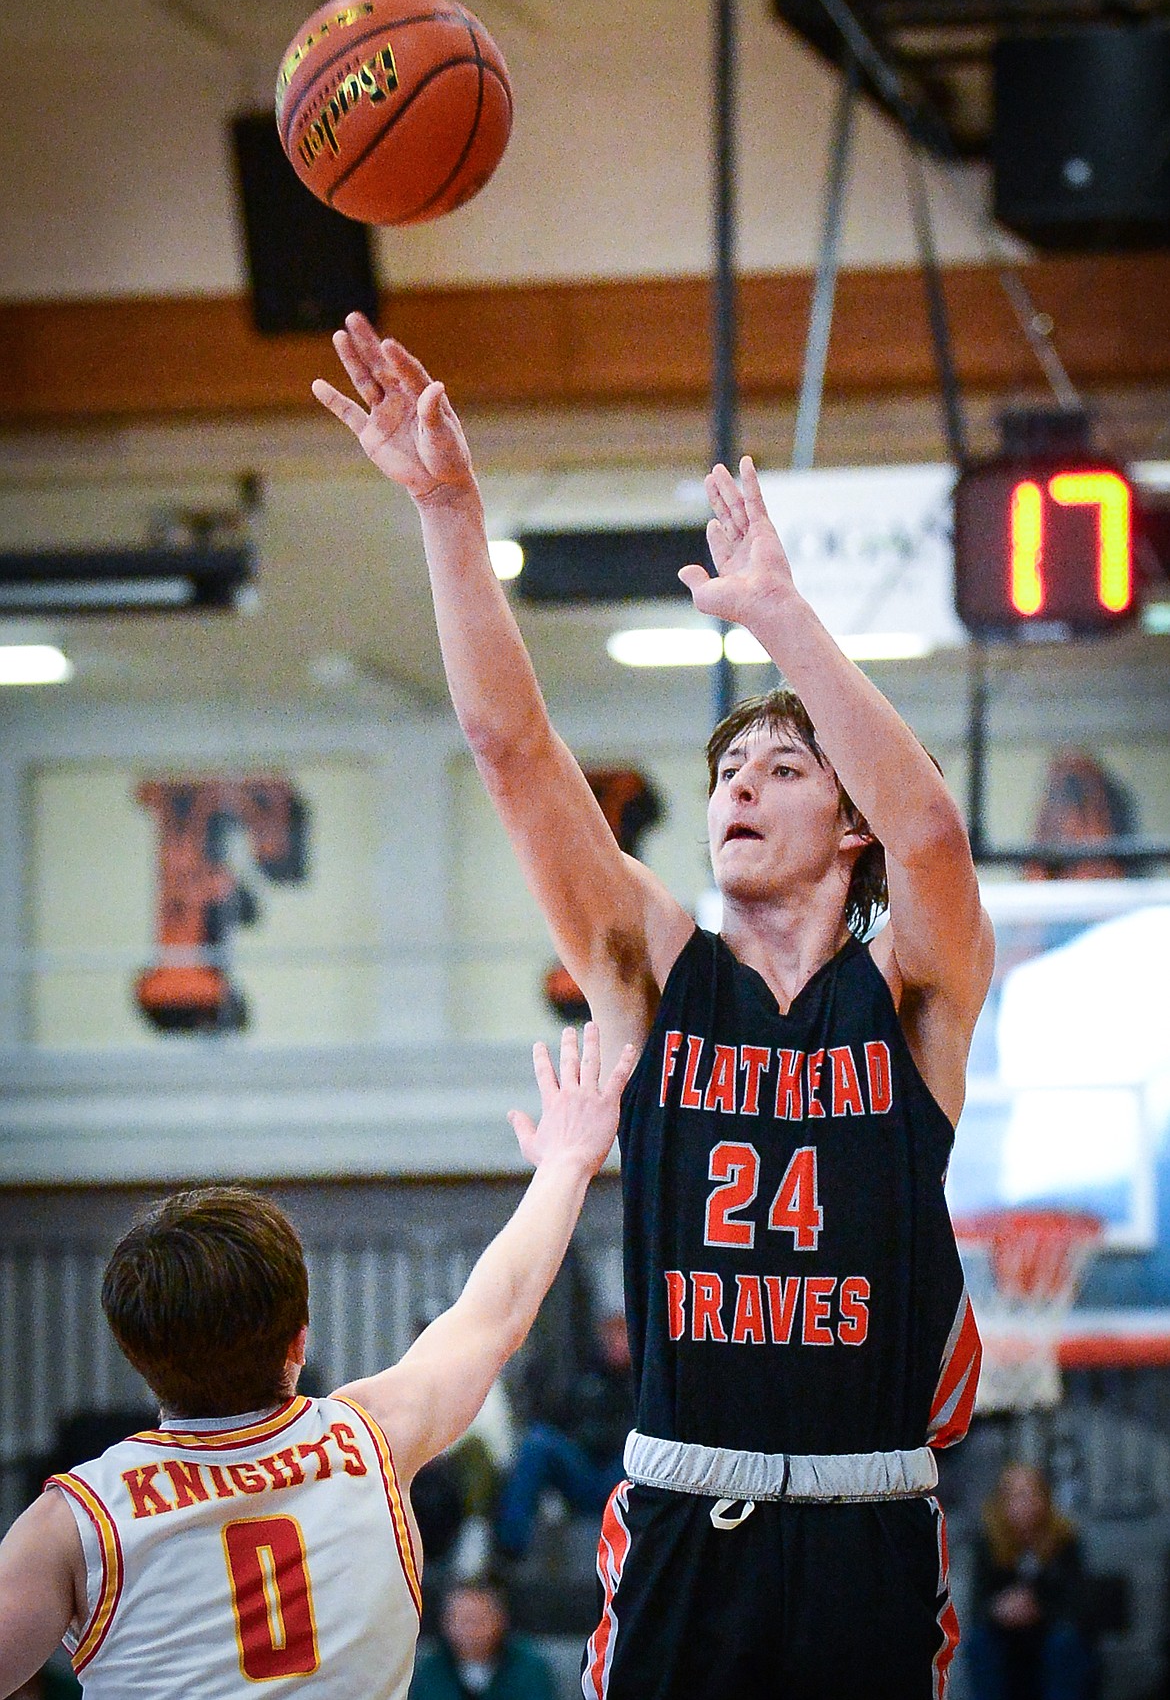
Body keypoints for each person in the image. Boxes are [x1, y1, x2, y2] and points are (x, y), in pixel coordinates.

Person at [314, 316, 995, 1699]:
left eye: (784, 764)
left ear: (844, 823)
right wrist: (449, 513)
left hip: (872, 1517)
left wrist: (782, 622)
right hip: (689, 1513)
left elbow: (929, 829)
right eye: (729, 766)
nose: (739, 783)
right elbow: (511, 752)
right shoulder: (653, 973)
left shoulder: (912, 991)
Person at [0, 1023, 635, 1700]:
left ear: (136, 1353)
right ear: (300, 1342)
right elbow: (496, 1313)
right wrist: (567, 1163)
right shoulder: (373, 1438)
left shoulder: (75, 1523)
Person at [494, 1310, 633, 1561]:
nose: (616, 1343)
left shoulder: (645, 1381)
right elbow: (559, 1421)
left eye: (623, 1335)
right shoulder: (585, 1374)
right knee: (538, 1443)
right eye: (611, 1335)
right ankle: (509, 1548)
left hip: (622, 1479)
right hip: (586, 1474)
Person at [965, 1462, 1096, 1700]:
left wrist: (1038, 1608)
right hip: (1007, 1638)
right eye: (1014, 1497)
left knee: (1065, 1644)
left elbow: (1080, 1605)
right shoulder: (988, 1545)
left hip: (1051, 1635)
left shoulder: (1064, 1542)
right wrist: (1000, 1609)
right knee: (979, 1643)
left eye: (1030, 1494)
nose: (1023, 1504)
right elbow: (977, 1606)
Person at [409, 1577, 556, 1700]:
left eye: (479, 1620)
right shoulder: (428, 1672)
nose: (471, 1630)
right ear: (445, 1623)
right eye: (463, 1621)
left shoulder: (530, 1670)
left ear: (500, 1620)